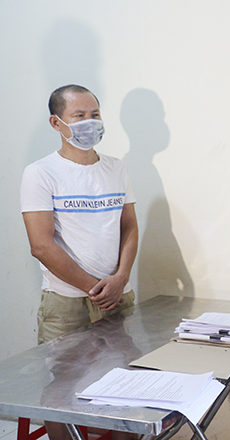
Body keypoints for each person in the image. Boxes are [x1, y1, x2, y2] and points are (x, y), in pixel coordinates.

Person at [21, 85, 138, 439]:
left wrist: (120, 278)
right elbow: (41, 245)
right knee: (60, 390)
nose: (90, 122)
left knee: (127, 384)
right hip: (66, 303)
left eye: (95, 114)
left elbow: (129, 228)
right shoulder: (41, 173)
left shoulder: (116, 168)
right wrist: (96, 288)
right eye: (79, 116)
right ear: (57, 123)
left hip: (117, 296)